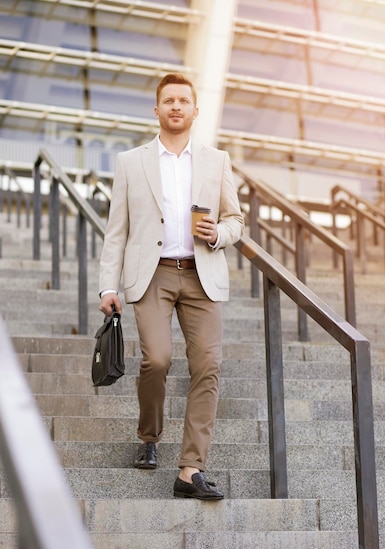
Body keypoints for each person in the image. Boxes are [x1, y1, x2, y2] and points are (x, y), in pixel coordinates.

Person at [99, 72, 244, 500]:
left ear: (196, 111)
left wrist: (218, 233)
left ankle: (190, 469)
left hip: (202, 275)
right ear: (157, 110)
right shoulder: (131, 162)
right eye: (169, 100)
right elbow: (116, 231)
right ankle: (149, 435)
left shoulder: (217, 161)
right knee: (157, 360)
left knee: (208, 367)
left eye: (184, 100)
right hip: (153, 274)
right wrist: (108, 286)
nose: (177, 106)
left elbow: (236, 219)